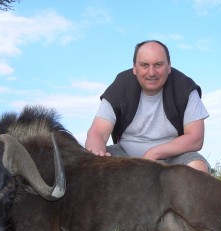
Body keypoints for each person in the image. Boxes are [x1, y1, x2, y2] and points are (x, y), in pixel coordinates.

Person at [85, 40, 210, 173]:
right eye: (144, 65)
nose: (151, 72)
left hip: (173, 157)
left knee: (198, 167)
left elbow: (196, 138)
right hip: (124, 155)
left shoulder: (185, 88)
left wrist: (153, 154)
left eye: (158, 64)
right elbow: (97, 133)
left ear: (169, 66)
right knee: (84, 165)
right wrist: (97, 154)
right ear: (134, 68)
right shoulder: (120, 86)